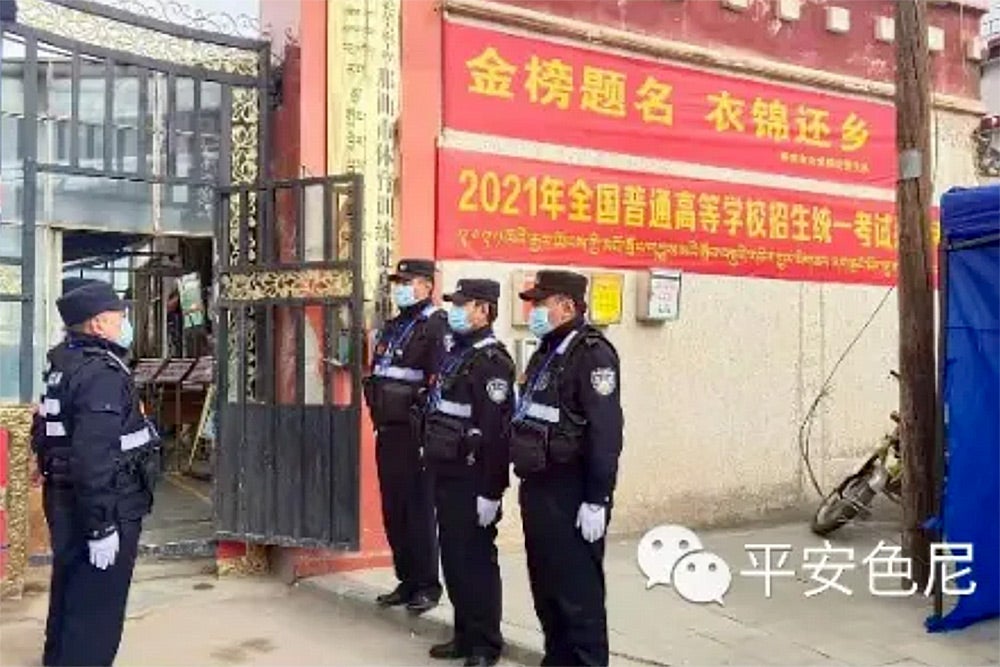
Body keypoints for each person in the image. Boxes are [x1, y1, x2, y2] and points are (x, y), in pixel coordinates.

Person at [31, 280, 160, 666]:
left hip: (68, 497)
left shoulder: (64, 363)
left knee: (72, 592)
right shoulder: (100, 373)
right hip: (104, 503)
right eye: (119, 317)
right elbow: (93, 455)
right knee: (96, 608)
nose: (124, 323)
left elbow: (47, 430)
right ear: (98, 324)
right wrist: (101, 526)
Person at [511, 270, 624, 667]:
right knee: (547, 587)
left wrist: (597, 498)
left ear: (567, 306)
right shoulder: (547, 350)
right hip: (539, 484)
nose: (534, 311)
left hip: (572, 490)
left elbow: (605, 433)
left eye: (541, 304)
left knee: (578, 596)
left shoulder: (592, 354)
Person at [421, 279, 515, 666]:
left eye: (463, 305)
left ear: (484, 310)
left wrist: (491, 491)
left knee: (476, 562)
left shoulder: (493, 362)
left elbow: (496, 433)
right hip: (447, 471)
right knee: (455, 559)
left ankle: (485, 644)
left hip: (473, 478)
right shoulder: (459, 353)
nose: (455, 311)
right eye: (454, 304)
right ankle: (463, 635)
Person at [362, 258, 446, 614]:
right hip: (388, 429)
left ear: (426, 286)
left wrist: (426, 429)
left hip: (415, 434)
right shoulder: (396, 325)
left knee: (418, 509)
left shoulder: (436, 326)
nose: (399, 288)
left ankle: (427, 584)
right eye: (397, 282)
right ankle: (407, 579)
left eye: (406, 282)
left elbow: (440, 383)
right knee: (394, 508)